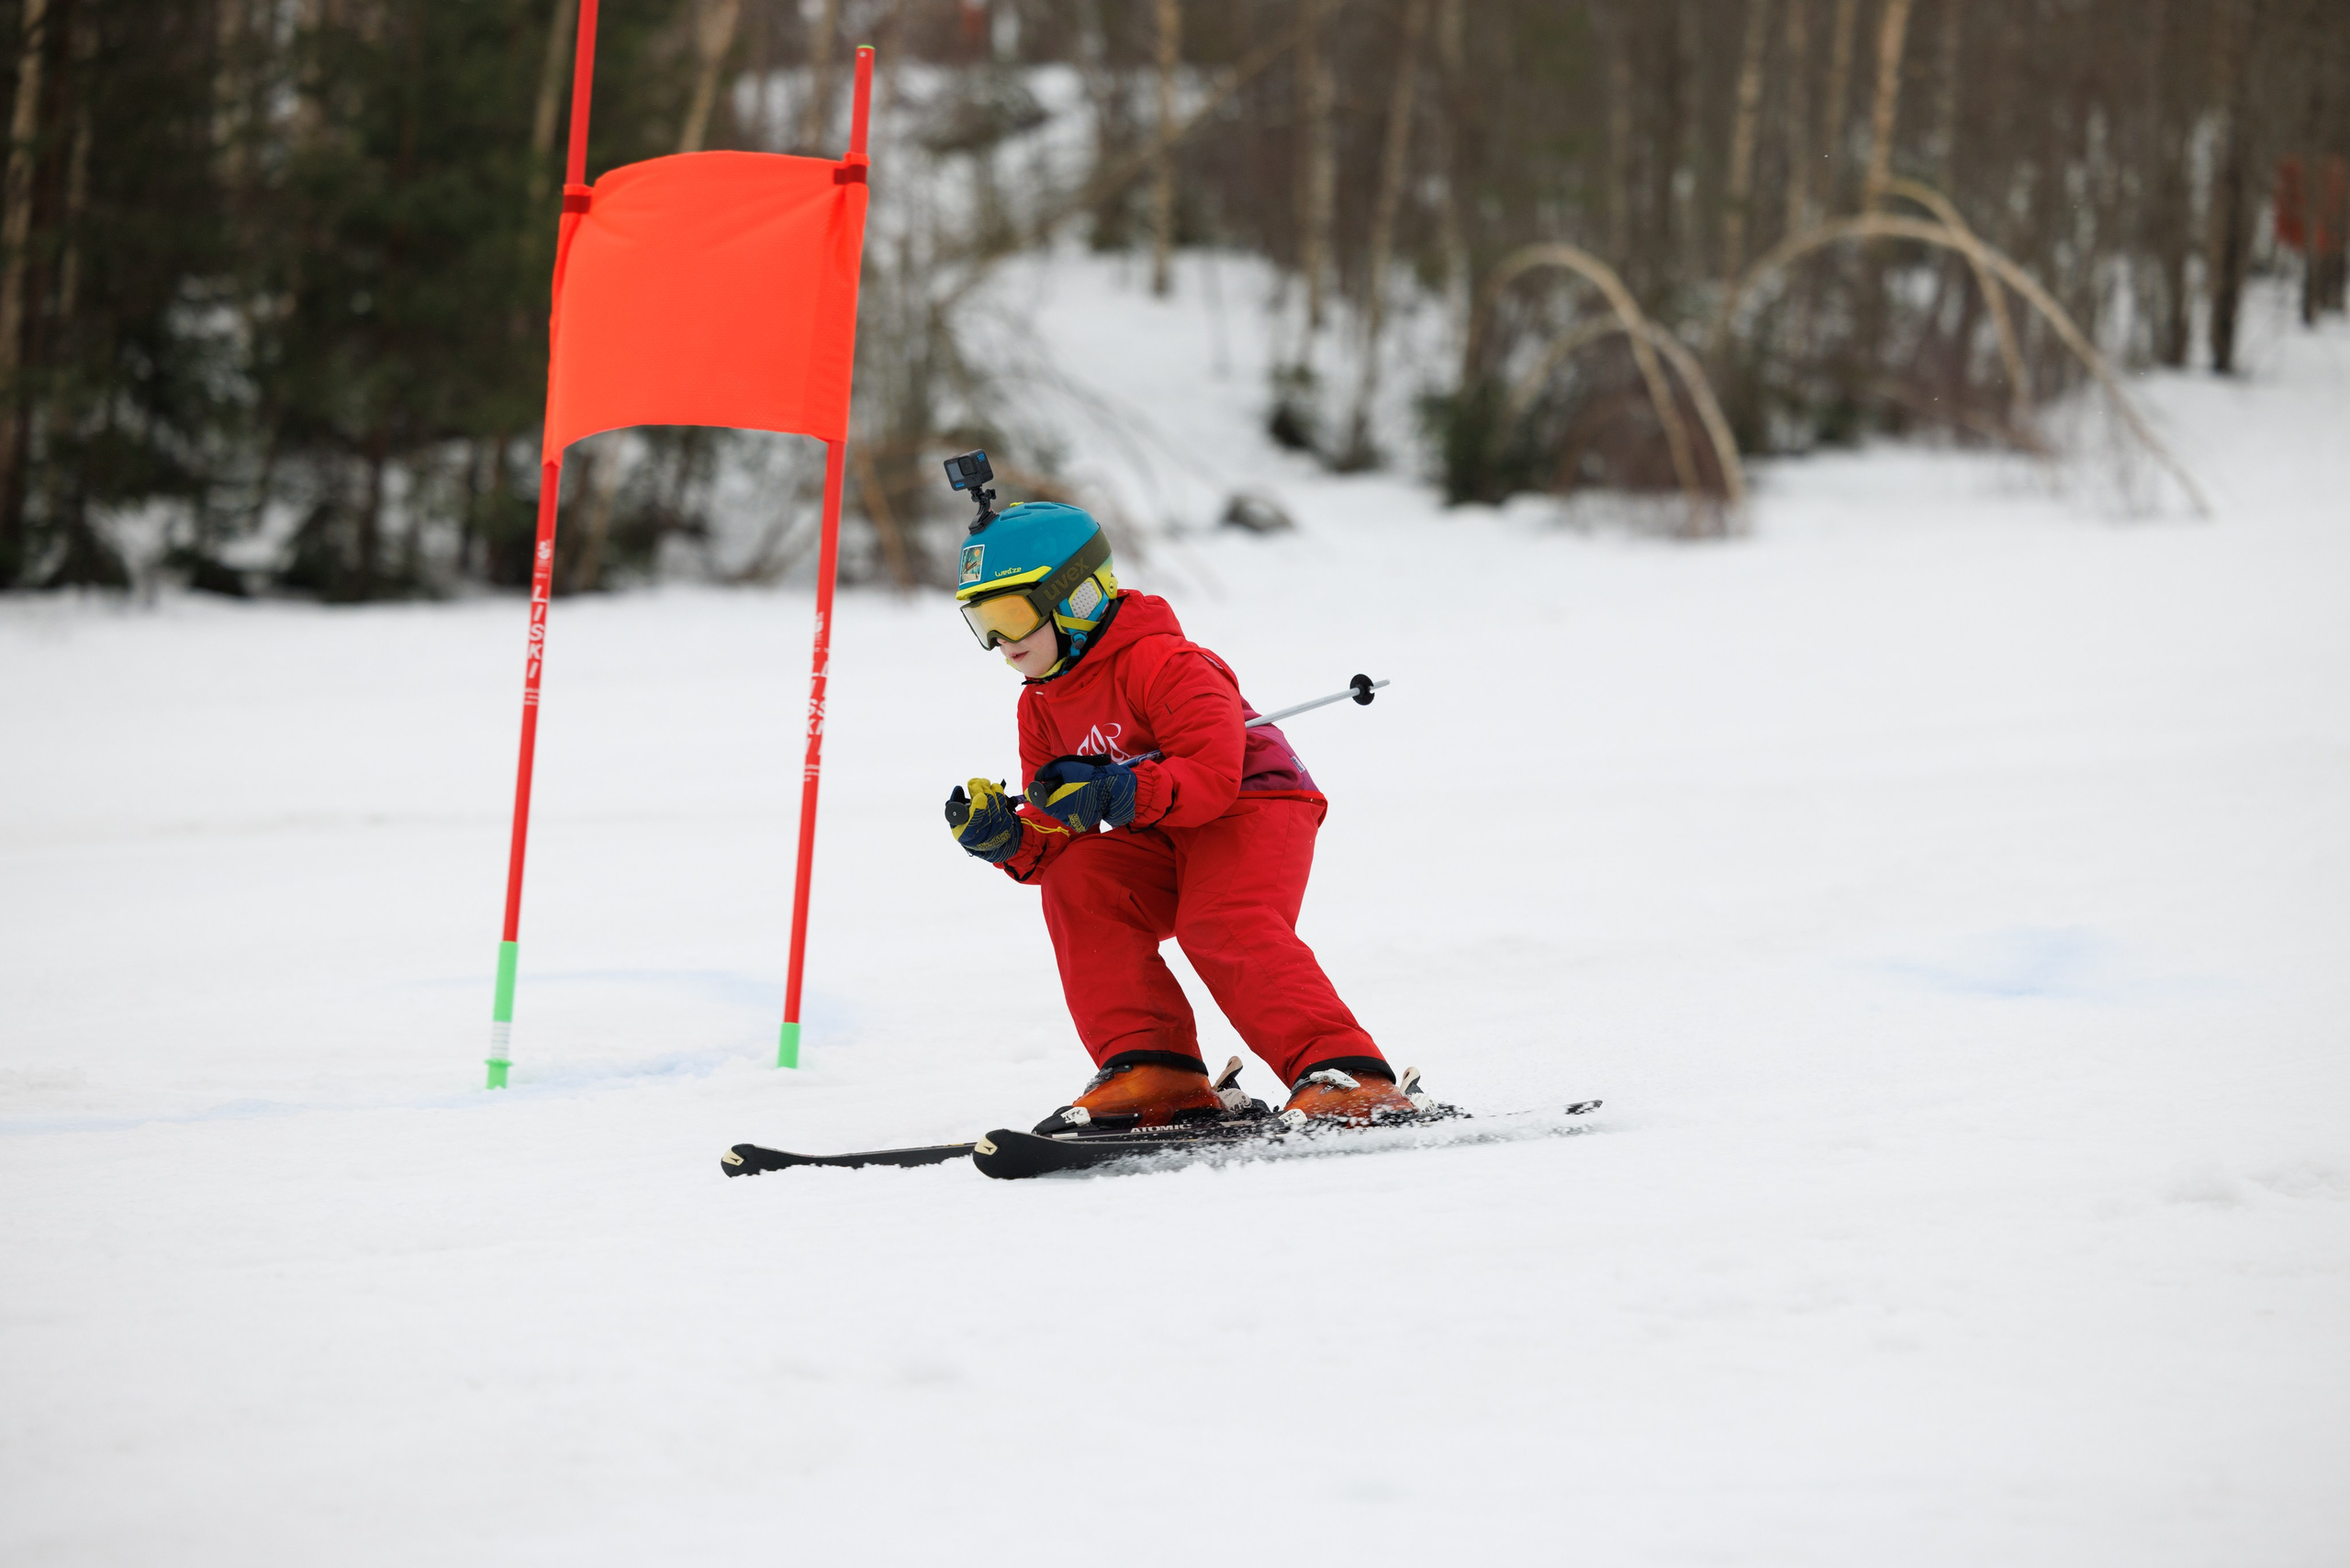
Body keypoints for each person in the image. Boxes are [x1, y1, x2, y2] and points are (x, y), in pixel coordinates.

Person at [943, 498, 1419, 1134]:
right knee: (1081, 881)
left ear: (1077, 597)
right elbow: (1062, 834)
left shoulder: (1168, 663)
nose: (1000, 643)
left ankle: (1345, 1076)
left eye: (1010, 615)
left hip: (1254, 805)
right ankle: (1155, 1070)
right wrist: (1011, 839)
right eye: (983, 623)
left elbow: (1212, 778)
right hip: (1165, 829)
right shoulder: (1040, 706)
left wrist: (1114, 792)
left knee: (1220, 920)